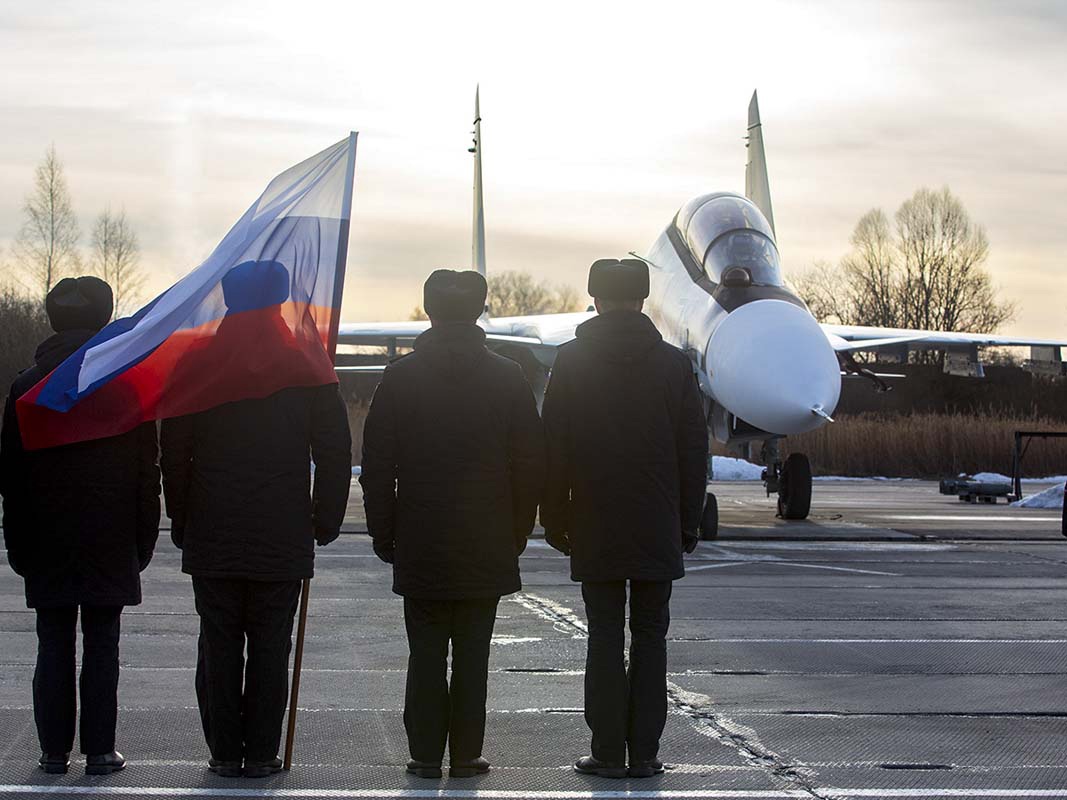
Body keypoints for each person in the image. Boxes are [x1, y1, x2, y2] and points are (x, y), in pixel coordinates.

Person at [160, 261, 352, 779]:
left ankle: (225, 752)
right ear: (280, 299)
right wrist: (325, 517)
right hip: (284, 528)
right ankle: (263, 752)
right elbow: (334, 450)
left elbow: (174, 451)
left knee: (218, 643)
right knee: (271, 645)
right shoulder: (306, 365)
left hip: (212, 527)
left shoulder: (197, 363)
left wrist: (180, 515)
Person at [360, 269, 544, 779]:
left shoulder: (400, 378)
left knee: (424, 651)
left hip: (421, 535)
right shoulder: (507, 376)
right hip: (486, 537)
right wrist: (518, 528)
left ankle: (423, 753)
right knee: (472, 654)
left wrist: (383, 529)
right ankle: (466, 753)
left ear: (428, 309)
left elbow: (377, 462)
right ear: (479, 311)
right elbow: (530, 462)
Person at [540, 258, 708, 779]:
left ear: (595, 299)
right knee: (652, 636)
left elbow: (554, 448)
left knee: (604, 636)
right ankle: (647, 752)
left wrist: (555, 517)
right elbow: (693, 452)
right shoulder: (674, 366)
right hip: (658, 522)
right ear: (642, 301)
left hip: (595, 521)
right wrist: (688, 522)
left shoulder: (570, 362)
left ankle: (608, 750)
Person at [0, 277, 161, 776]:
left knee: (52, 642)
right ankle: (99, 749)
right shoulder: (125, 383)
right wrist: (143, 540)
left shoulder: (27, 386)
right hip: (110, 536)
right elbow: (145, 475)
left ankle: (52, 752)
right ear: (103, 318)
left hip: (45, 537)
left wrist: (18, 544)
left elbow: (11, 475)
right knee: (102, 643)